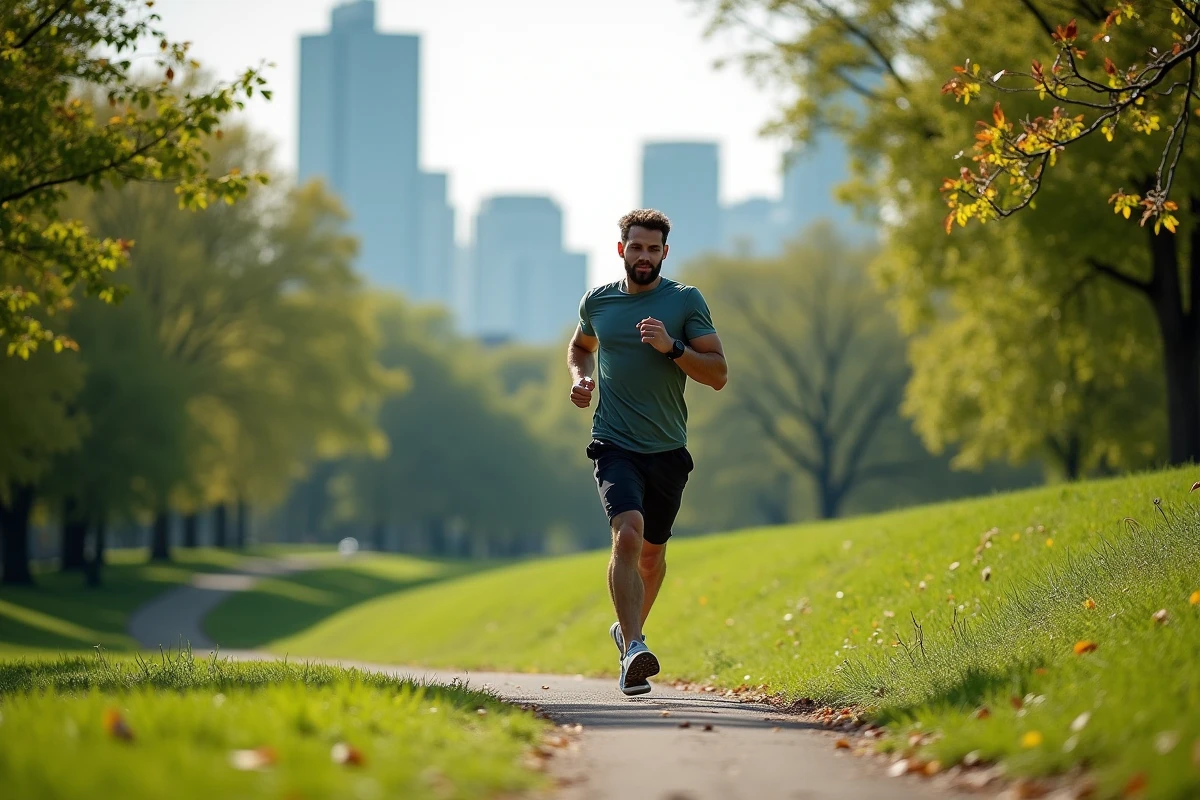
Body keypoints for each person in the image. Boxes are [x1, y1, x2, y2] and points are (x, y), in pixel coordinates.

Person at [567, 208, 728, 696]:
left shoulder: (683, 302)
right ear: (621, 250)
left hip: (668, 449)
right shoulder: (598, 302)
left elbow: (718, 374)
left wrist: (672, 348)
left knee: (653, 558)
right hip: (614, 442)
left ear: (664, 253)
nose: (643, 257)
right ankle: (634, 648)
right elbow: (580, 346)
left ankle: (626, 631)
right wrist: (580, 380)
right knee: (629, 535)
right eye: (635, 248)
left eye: (652, 249)